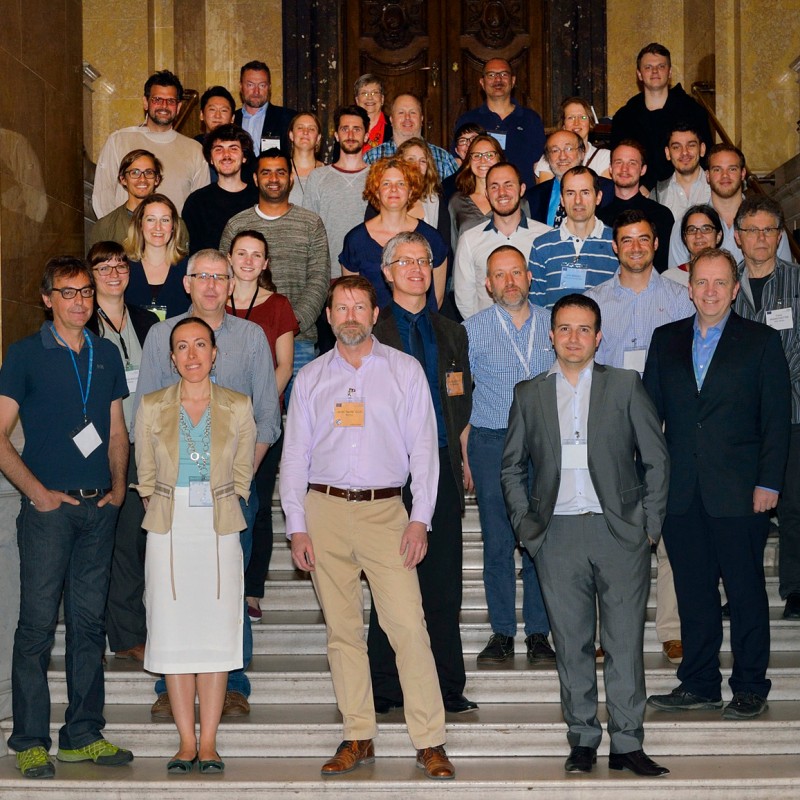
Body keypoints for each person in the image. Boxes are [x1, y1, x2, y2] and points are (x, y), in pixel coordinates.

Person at [280, 275, 455, 780]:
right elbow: (294, 457)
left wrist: (420, 518)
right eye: (341, 307)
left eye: (360, 306)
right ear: (329, 317)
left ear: (375, 314)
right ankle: (358, 733)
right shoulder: (311, 379)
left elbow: (424, 451)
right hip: (325, 512)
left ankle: (430, 740)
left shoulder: (405, 371)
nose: (351, 314)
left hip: (386, 514)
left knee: (407, 628)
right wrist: (297, 526)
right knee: (342, 633)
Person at [500, 293, 670, 777]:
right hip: (556, 536)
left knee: (624, 642)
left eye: (584, 329)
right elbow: (511, 468)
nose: (574, 338)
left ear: (599, 337)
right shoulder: (529, 393)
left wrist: (648, 527)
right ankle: (582, 739)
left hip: (619, 534)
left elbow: (657, 458)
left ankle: (628, 743)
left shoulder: (625, 385)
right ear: (551, 336)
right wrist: (526, 529)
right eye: (564, 329)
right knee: (571, 642)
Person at [133, 248, 282, 719]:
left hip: (232, 488)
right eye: (203, 276)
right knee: (170, 589)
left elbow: (266, 419)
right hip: (173, 494)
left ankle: (233, 681)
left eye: (222, 277)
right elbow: (146, 414)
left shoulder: (252, 336)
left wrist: (238, 480)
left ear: (233, 283)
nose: (213, 285)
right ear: (187, 282)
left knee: (227, 586)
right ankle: (168, 682)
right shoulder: (162, 335)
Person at [644, 248, 791, 720]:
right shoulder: (664, 340)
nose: (709, 291)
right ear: (689, 289)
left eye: (719, 283)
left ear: (733, 289)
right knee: (693, 593)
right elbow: (649, 420)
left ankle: (750, 686)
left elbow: (776, 421)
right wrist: (653, 486)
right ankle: (700, 682)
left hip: (741, 492)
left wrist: (769, 482)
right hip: (681, 494)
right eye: (701, 282)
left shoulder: (762, 342)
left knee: (746, 592)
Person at [0, 256, 132, 778]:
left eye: (85, 292)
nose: (80, 300)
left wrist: (119, 489)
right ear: (47, 298)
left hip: (99, 509)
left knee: (88, 626)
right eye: (68, 292)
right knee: (35, 627)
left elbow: (117, 430)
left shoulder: (106, 354)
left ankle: (82, 734)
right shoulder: (24, 355)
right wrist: (38, 493)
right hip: (49, 514)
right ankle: (30, 740)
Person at [135, 316, 256, 774]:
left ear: (214, 353)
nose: (192, 355)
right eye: (182, 347)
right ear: (171, 357)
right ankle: (186, 742)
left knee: (216, 633)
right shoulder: (150, 405)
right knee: (173, 631)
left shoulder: (238, 405)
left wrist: (226, 497)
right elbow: (145, 474)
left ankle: (210, 743)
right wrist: (168, 503)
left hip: (219, 523)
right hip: (169, 524)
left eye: (200, 345)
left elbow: (242, 471)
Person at [367, 232, 475, 715]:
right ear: (386, 273)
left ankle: (448, 687)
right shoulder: (369, 331)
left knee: (443, 584)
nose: (415, 269)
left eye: (424, 261)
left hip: (442, 468)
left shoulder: (452, 331)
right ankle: (385, 688)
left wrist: (465, 460)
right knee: (390, 580)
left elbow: (461, 401)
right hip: (387, 477)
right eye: (404, 261)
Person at [585, 210, 694, 664]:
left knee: (668, 528)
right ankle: (600, 634)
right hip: (608, 429)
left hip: (664, 426)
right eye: (626, 240)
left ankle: (672, 628)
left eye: (643, 239)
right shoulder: (593, 302)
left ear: (655, 244)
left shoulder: (681, 299)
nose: (635, 247)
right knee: (605, 531)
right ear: (615, 246)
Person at [463, 245, 556, 664]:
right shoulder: (470, 330)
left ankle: (539, 633)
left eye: (516, 272)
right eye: (500, 275)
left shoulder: (555, 324)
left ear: (529, 276)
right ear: (487, 284)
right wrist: (465, 454)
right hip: (491, 441)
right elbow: (460, 396)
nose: (509, 282)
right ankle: (501, 631)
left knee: (539, 538)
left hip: (543, 443)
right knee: (497, 541)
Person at [85, 242, 159, 664]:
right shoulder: (83, 322)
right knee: (106, 543)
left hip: (144, 443)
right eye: (103, 266)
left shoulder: (148, 321)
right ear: (91, 274)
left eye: (120, 265)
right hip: (99, 445)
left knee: (133, 541)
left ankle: (132, 628)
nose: (114, 272)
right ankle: (111, 631)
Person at [732, 196, 800, 621]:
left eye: (768, 230)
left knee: (793, 505)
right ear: (737, 237)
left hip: (793, 414)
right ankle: (740, 590)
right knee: (740, 511)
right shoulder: (725, 285)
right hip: (739, 421)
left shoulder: (798, 284)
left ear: (779, 236)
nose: (760, 238)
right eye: (751, 230)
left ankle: (795, 588)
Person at [225, 230, 298, 621]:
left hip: (261, 422)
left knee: (258, 504)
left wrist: (255, 407)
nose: (249, 261)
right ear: (230, 257)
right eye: (242, 253)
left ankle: (252, 590)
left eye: (257, 255)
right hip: (216, 422)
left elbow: (284, 364)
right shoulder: (214, 299)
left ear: (266, 263)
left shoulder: (278, 305)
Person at [220, 148, 330, 387]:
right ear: (256, 179)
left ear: (290, 178)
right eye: (266, 173)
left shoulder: (311, 224)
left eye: (280, 172)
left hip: (299, 339)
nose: (273, 179)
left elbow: (319, 280)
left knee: (300, 421)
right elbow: (224, 279)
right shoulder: (237, 224)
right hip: (240, 338)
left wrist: (289, 325)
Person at [92, 70, 209, 217]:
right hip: (124, 237)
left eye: (170, 101)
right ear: (146, 103)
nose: (164, 106)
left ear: (178, 107)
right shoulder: (119, 141)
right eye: (157, 99)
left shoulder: (195, 150)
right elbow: (102, 196)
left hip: (173, 237)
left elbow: (199, 207)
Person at [302, 105, 371, 353]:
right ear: (336, 134)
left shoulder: (377, 176)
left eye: (357, 129)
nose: (351, 134)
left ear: (366, 134)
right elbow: (309, 231)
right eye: (345, 128)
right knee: (330, 354)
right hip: (327, 279)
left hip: (369, 278)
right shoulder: (318, 177)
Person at [340, 157, 447, 310]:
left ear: (411, 192)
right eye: (386, 184)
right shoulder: (356, 240)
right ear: (376, 192)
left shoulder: (432, 238)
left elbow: (437, 298)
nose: (394, 189)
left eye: (401, 183)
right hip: (373, 330)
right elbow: (351, 297)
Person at [666, 144, 794, 268]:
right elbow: (678, 282)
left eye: (732, 169)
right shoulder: (686, 225)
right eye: (717, 169)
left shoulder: (768, 222)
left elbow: (784, 274)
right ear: (707, 176)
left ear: (743, 173)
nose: (725, 175)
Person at [454, 162, 549, 319]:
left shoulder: (545, 237)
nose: (501, 192)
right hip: (487, 336)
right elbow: (464, 298)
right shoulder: (469, 240)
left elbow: (550, 292)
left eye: (508, 185)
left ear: (522, 189)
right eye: (494, 187)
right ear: (487, 194)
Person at [610, 43, 712, 191]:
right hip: (640, 192)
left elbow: (706, 156)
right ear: (639, 74)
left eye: (661, 66)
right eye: (648, 67)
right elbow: (618, 161)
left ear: (669, 72)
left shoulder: (693, 111)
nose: (655, 71)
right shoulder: (625, 117)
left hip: (686, 189)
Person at [528, 166, 617, 308]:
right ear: (562, 200)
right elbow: (536, 307)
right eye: (570, 193)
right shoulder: (542, 246)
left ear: (598, 197)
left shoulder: (617, 243)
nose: (578, 200)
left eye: (585, 192)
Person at [454, 58, 545, 187]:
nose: (498, 80)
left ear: (513, 81)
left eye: (503, 74)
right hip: (478, 200)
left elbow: (540, 166)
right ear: (482, 82)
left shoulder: (531, 119)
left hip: (524, 199)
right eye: (491, 75)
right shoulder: (467, 120)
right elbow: (458, 162)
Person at [596, 140, 674, 273]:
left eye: (632, 163)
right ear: (610, 168)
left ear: (643, 170)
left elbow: (664, 267)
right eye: (618, 162)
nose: (624, 169)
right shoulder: (598, 217)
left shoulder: (661, 215)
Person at [88, 149, 190, 251]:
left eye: (149, 172)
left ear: (157, 179)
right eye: (135, 173)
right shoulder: (105, 227)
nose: (142, 179)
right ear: (123, 179)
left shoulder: (176, 225)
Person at [182, 124, 258, 254]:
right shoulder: (196, 202)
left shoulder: (259, 199)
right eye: (219, 149)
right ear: (211, 159)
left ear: (244, 157)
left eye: (233, 149)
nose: (226, 155)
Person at [123, 193, 190, 320]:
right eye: (150, 219)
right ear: (140, 224)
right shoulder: (123, 269)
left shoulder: (189, 269)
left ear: (173, 226)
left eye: (165, 220)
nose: (158, 227)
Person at [526, 131, 613, 227]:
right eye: (555, 150)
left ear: (582, 153)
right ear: (547, 157)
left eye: (568, 149)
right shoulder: (533, 196)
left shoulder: (608, 190)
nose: (562, 156)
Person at [364, 94, 459, 179]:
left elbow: (458, 195)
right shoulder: (372, 158)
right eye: (401, 112)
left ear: (421, 119)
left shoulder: (443, 158)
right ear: (391, 120)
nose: (407, 117)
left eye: (413, 112)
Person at [395, 137, 451, 253]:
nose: (417, 165)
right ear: (399, 163)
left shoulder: (435, 200)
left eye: (423, 161)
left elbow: (444, 248)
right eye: (411, 159)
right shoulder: (386, 197)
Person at [534, 97, 610, 181]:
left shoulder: (603, 157)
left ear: (591, 123)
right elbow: (546, 191)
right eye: (570, 117)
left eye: (583, 117)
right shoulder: (552, 156)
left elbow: (604, 191)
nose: (576, 123)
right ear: (563, 125)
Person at [448, 134, 505, 240]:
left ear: (499, 159)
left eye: (489, 155)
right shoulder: (457, 201)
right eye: (477, 155)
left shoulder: (513, 200)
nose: (482, 161)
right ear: (469, 161)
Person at [234, 60, 296, 157]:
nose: (256, 92)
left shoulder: (288, 118)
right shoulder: (231, 120)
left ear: (269, 87)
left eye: (262, 85)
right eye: (250, 85)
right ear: (241, 86)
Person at [651, 124, 710, 221]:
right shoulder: (657, 195)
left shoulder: (717, 187)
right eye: (676, 147)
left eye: (691, 145)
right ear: (667, 153)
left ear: (702, 149)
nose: (684, 152)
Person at [662, 204, 723, 286]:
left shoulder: (728, 274)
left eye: (706, 229)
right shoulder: (669, 279)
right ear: (685, 237)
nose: (698, 235)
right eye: (692, 230)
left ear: (718, 236)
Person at [288, 112, 324, 205]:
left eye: (312, 129)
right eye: (300, 127)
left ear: (318, 138)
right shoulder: (280, 171)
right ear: (291, 135)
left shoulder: (327, 173)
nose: (305, 132)